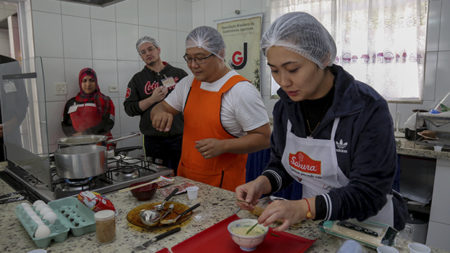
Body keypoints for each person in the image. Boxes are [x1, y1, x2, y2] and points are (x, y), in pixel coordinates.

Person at [236, 12, 408, 231]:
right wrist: (263, 183)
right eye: (275, 71)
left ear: (324, 58)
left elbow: (370, 192)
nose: (284, 81)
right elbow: (284, 166)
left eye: (293, 69)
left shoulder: (366, 108)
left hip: (369, 228)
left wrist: (305, 207)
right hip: (317, 224)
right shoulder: (285, 108)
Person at [151, 26, 271, 191]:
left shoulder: (240, 90)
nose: (193, 65)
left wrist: (224, 146)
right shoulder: (187, 84)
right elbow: (160, 107)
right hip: (187, 179)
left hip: (222, 186)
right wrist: (159, 114)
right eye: (189, 58)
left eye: (200, 58)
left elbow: (263, 138)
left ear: (220, 54)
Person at [124, 36, 187, 173]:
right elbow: (129, 109)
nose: (147, 54)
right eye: (143, 52)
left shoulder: (179, 74)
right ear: (141, 56)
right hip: (153, 140)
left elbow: (192, 101)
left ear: (158, 50)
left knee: (182, 173)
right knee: (156, 176)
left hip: (179, 137)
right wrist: (152, 99)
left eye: (150, 49)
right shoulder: (137, 80)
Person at [61, 67, 115, 149]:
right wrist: (74, 135)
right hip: (78, 146)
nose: (88, 84)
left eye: (91, 80)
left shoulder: (106, 100)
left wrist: (85, 134)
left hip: (102, 145)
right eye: (84, 80)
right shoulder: (71, 103)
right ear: (80, 82)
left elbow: (108, 123)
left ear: (96, 82)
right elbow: (65, 123)